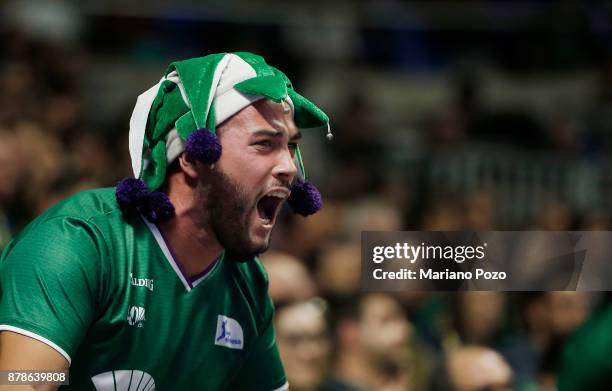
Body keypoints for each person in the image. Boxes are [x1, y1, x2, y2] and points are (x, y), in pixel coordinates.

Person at [0, 52, 330, 390]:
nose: (290, 167)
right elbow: (25, 383)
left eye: (290, 146)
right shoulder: (78, 241)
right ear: (192, 157)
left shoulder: (246, 283)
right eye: (264, 144)